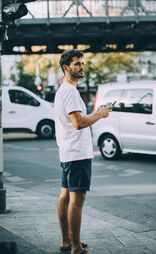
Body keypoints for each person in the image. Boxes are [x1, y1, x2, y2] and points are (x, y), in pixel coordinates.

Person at [54, 49, 112, 254]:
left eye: (83, 64)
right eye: (77, 64)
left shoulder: (64, 90)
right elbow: (78, 123)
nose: (81, 67)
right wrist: (99, 114)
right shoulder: (69, 91)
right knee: (77, 200)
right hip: (77, 153)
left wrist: (96, 113)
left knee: (66, 197)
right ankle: (76, 247)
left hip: (68, 151)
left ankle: (67, 241)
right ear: (66, 67)